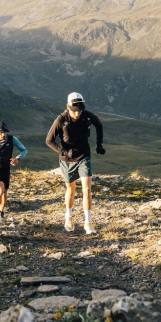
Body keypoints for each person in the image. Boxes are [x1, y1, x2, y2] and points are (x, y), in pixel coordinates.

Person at [45, 92, 104, 234]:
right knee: (71, 190)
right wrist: (63, 151)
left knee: (87, 190)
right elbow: (49, 140)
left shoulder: (87, 116)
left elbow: (99, 125)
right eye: (74, 111)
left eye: (80, 110)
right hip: (67, 159)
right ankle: (69, 217)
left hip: (84, 156)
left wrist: (99, 144)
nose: (77, 114)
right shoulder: (61, 120)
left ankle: (88, 222)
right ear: (68, 106)